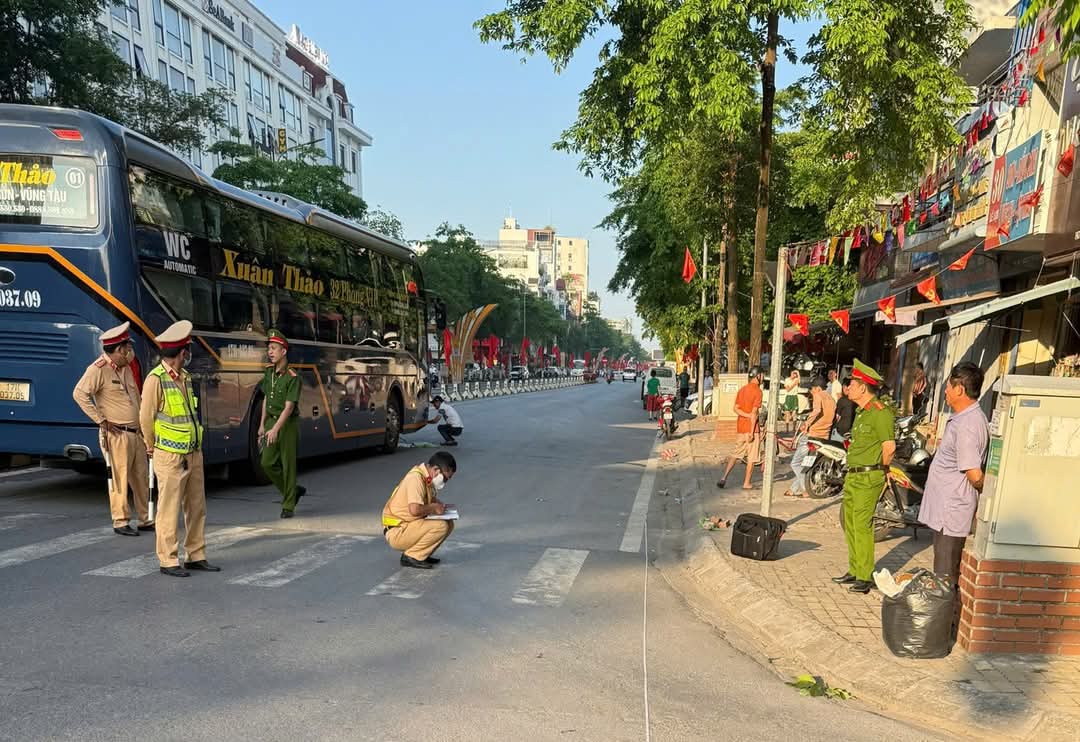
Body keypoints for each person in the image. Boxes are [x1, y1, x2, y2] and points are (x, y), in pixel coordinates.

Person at [139, 320, 219, 578]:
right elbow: (145, 418)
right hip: (170, 455)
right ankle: (168, 559)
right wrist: (151, 446)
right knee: (169, 508)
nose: (188, 355)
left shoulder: (184, 377)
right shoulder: (156, 380)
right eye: (187, 350)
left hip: (193, 453)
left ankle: (195, 555)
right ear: (181, 353)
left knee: (197, 506)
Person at [72, 321, 153, 537]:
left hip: (136, 432)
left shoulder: (125, 365)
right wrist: (101, 420)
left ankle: (145, 519)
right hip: (117, 433)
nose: (129, 351)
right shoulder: (98, 369)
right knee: (119, 478)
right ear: (117, 350)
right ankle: (120, 521)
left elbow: (134, 392)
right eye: (126, 347)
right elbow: (79, 394)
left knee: (141, 477)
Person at [920, 362, 989, 587]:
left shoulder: (968, 424)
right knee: (943, 571)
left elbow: (975, 475)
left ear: (959, 389)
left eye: (948, 386)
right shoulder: (964, 418)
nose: (946, 392)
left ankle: (945, 621)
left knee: (945, 576)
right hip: (946, 511)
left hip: (953, 512)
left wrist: (987, 496)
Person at [831, 360, 895, 594]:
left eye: (852, 384)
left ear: (863, 387)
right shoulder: (861, 412)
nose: (848, 388)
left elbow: (889, 447)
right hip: (854, 475)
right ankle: (854, 569)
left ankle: (865, 576)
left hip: (870, 475)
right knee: (849, 523)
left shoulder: (880, 413)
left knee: (862, 524)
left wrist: (883, 469)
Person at [259, 330, 306, 519]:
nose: (270, 352)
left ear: (283, 351)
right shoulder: (269, 373)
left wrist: (276, 429)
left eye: (274, 348)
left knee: (288, 465)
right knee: (267, 462)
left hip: (287, 424)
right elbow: (265, 399)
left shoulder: (293, 377)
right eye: (269, 348)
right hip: (271, 421)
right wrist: (262, 424)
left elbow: (288, 407)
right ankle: (293, 491)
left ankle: (288, 505)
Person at [381, 452, 457, 569]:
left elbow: (426, 498)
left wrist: (438, 504)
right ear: (436, 470)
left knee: (449, 524)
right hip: (398, 531)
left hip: (408, 526)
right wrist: (434, 507)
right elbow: (415, 510)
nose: (445, 482)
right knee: (440, 526)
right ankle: (412, 556)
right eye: (445, 478)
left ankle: (422, 554)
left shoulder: (425, 478)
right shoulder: (415, 478)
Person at [786, 377, 836, 499]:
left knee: (795, 463)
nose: (811, 392)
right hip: (824, 436)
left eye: (812, 389)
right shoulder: (832, 399)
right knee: (806, 464)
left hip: (812, 436)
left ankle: (805, 489)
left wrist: (806, 423)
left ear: (818, 389)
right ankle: (793, 489)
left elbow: (817, 410)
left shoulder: (819, 396)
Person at [717, 366, 764, 490]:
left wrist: (746, 415)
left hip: (740, 428)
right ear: (757, 376)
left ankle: (724, 477)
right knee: (752, 457)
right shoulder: (758, 392)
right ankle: (747, 483)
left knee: (736, 454)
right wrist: (752, 432)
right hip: (751, 429)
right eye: (762, 375)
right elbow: (754, 414)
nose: (763, 377)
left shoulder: (742, 390)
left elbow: (735, 409)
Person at [832, 377, 856, 441]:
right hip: (852, 431)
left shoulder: (842, 400)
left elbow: (837, 417)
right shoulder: (857, 400)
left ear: (845, 387)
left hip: (840, 431)